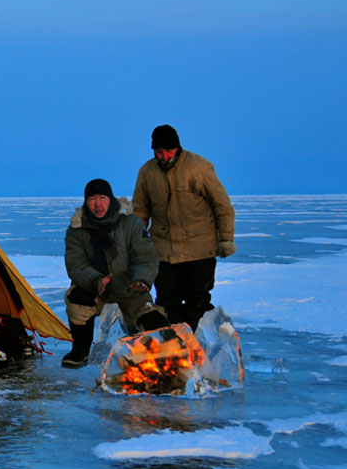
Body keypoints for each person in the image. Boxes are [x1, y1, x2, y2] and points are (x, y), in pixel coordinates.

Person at [132, 124, 236, 332]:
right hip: (163, 251)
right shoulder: (147, 172)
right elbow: (140, 212)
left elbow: (222, 206)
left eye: (168, 150)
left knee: (197, 302)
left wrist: (226, 239)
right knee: (167, 303)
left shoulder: (199, 167)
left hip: (200, 249)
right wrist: (136, 244)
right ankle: (175, 350)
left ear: (177, 147)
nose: (164, 156)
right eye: (159, 151)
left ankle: (199, 348)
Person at [62, 178, 169, 367]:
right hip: (95, 286)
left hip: (129, 285)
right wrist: (96, 280)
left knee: (152, 319)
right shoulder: (77, 229)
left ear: (110, 199)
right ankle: (81, 349)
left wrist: (141, 280)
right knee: (77, 300)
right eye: (92, 199)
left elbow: (145, 257)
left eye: (102, 197)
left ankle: (158, 359)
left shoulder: (131, 223)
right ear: (86, 202)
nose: (98, 204)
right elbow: (76, 265)